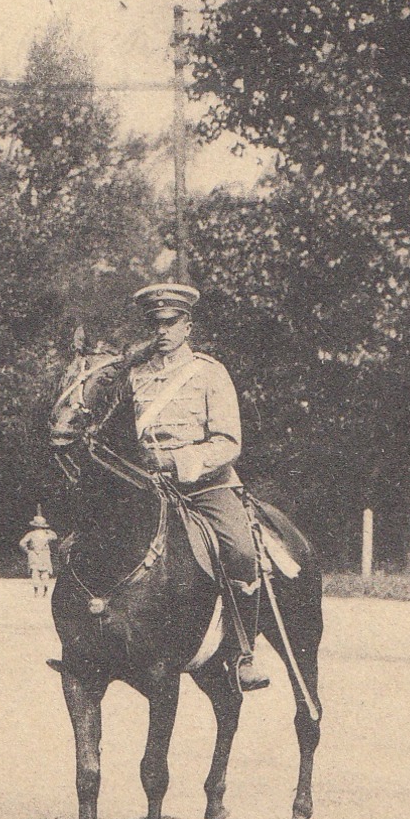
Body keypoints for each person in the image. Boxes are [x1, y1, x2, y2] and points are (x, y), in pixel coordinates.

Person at [128, 282, 269, 691]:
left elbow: (228, 442)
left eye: (171, 322)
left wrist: (175, 462)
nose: (162, 330)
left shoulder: (209, 372)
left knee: (241, 550)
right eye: (155, 323)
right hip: (145, 486)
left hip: (204, 487)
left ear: (187, 325)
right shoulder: (134, 375)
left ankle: (243, 652)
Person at [18, 508, 58, 598]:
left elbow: (22, 543)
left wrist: (27, 551)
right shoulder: (46, 534)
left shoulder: (31, 534)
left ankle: (36, 593)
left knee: (35, 573)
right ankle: (45, 592)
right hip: (44, 555)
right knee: (45, 573)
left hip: (34, 555)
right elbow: (55, 537)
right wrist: (49, 530)